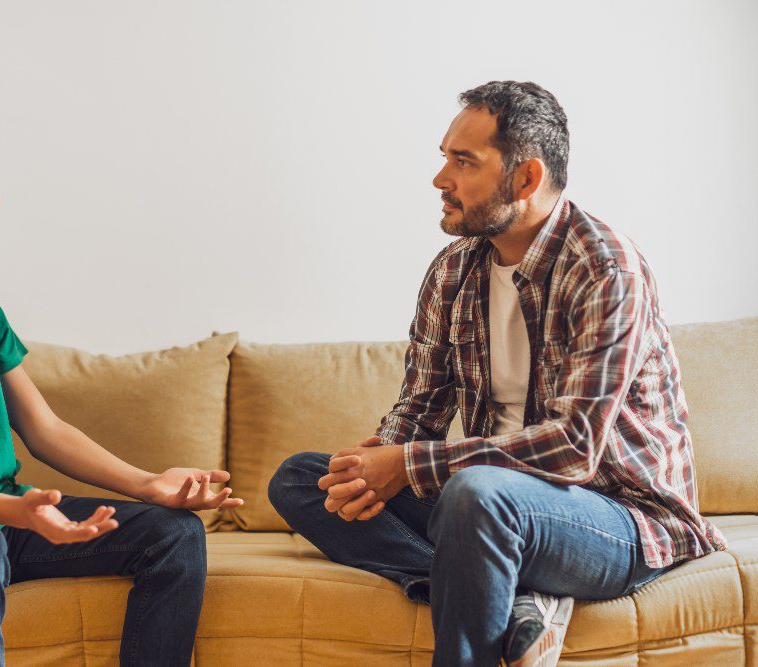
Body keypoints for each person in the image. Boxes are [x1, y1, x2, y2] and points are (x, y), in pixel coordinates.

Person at [267, 81, 726, 667]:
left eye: (463, 162)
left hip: (617, 516)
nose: (441, 179)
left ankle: (485, 597)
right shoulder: (454, 270)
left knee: (476, 494)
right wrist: (378, 460)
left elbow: (576, 449)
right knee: (303, 479)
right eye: (445, 159)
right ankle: (508, 604)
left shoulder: (605, 269)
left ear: (526, 179)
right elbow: (422, 404)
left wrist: (405, 466)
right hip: (486, 507)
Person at [0, 113, 243, 667]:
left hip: (0, 522)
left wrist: (149, 484)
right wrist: (15, 514)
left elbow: (45, 429)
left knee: (175, 534)